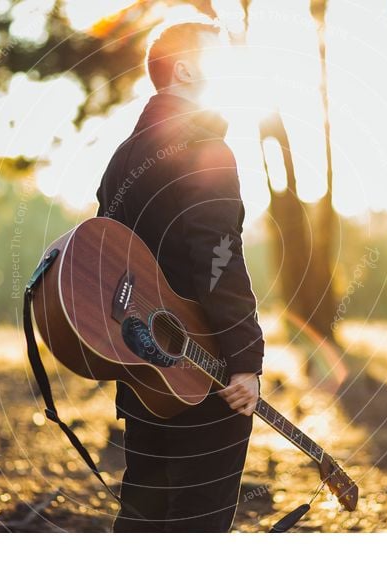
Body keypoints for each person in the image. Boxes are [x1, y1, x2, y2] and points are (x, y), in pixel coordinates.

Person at [95, 21, 265, 532]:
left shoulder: (121, 158)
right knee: (197, 529)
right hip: (203, 373)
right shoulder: (204, 147)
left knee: (143, 522)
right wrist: (244, 358)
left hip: (141, 370)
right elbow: (217, 258)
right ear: (187, 69)